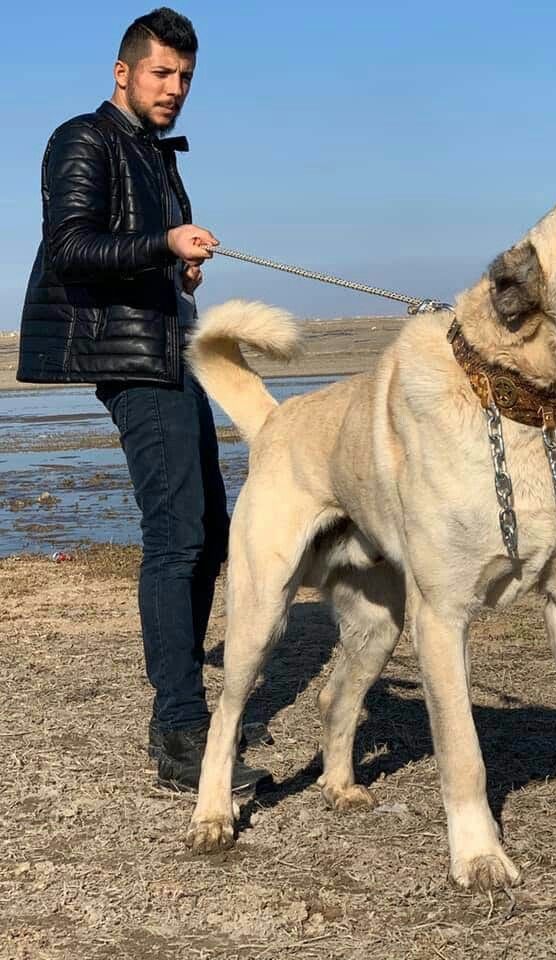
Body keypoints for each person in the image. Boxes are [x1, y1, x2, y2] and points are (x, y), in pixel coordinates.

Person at [17, 7, 270, 794]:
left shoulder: (156, 156)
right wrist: (163, 245)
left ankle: (182, 701)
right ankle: (181, 732)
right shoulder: (81, 140)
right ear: (123, 73)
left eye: (186, 77)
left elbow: (127, 254)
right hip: (128, 360)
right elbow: (72, 248)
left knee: (210, 530)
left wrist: (177, 272)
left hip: (170, 349)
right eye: (162, 73)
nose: (175, 88)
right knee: (175, 535)